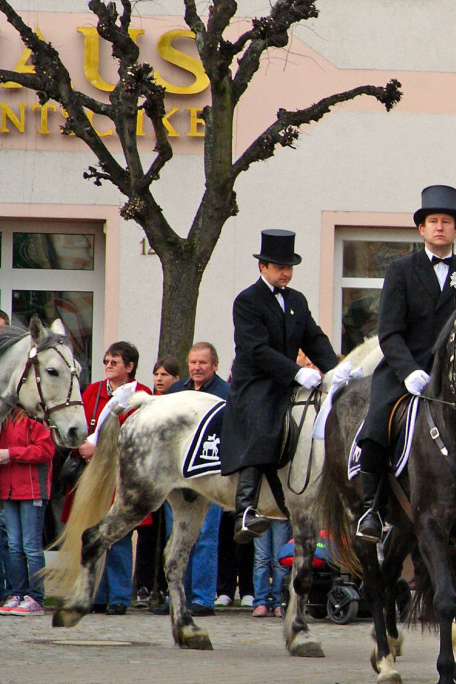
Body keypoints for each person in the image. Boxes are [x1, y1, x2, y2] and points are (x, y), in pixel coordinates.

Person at [354, 189, 456, 543]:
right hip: (406, 369)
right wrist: (408, 370)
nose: (440, 228)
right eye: (433, 222)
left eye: (447, 222)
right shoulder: (400, 270)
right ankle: (371, 508)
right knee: (377, 424)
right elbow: (388, 331)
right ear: (422, 229)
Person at [220, 230, 340, 548]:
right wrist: (297, 372)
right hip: (255, 383)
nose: (285, 272)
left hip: (285, 380)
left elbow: (313, 337)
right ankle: (245, 508)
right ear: (263, 267)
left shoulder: (296, 300)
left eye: (289, 267)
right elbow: (256, 349)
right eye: (278, 266)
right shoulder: (247, 300)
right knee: (261, 422)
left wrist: (336, 371)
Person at [76, 342, 152, 614]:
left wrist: (103, 448)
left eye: (115, 362)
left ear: (129, 367)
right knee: (95, 532)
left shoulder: (141, 394)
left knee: (118, 534)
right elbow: (79, 424)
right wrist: (82, 447)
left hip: (123, 476)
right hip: (93, 474)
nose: (108, 365)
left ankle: (119, 597)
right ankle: (96, 594)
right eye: (106, 360)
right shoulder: (93, 391)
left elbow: (139, 436)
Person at [165, 342, 230, 616]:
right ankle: (176, 597)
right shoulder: (176, 391)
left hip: (210, 475)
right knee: (178, 536)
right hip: (178, 477)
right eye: (193, 362)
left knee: (204, 538)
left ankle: (202, 599)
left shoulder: (226, 394)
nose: (197, 368)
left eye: (202, 363)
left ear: (214, 365)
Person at [0, 410, 54, 616]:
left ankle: (36, 597)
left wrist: (11, 453)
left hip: (32, 491)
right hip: (9, 490)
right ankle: (18, 593)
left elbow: (45, 451)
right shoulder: (5, 419)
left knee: (31, 547)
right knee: (14, 546)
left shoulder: (36, 419)